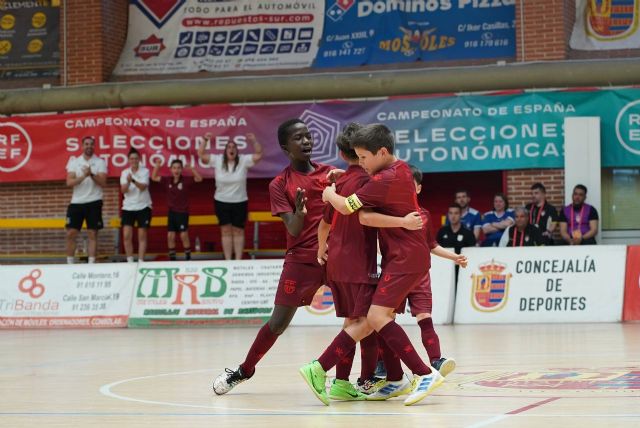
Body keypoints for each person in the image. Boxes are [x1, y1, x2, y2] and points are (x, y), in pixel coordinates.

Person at [300, 123, 444, 407]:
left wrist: (329, 194)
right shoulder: (396, 170)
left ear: (381, 152)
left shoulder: (385, 180)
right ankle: (394, 378)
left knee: (374, 319)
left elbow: (348, 208)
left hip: (406, 257)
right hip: (401, 256)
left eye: (364, 158)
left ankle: (424, 374)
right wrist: (348, 176)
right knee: (370, 320)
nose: (361, 163)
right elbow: (367, 207)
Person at [212, 119, 332, 395]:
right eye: (298, 138)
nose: (306, 142)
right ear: (285, 147)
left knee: (361, 316)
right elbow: (292, 228)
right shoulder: (280, 184)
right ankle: (244, 371)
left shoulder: (329, 174)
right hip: (301, 260)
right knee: (277, 323)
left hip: (335, 256)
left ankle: (373, 375)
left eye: (308, 136)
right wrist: (299, 214)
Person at [365, 165, 467, 402]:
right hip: (395, 270)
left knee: (423, 317)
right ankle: (387, 368)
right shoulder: (387, 213)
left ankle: (435, 362)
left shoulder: (424, 215)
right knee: (384, 318)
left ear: (418, 188)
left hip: (419, 274)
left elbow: (431, 245)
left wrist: (454, 257)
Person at [197, 132, 262, 260]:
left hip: (240, 201)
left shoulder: (243, 160)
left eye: (234, 147)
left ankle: (237, 260)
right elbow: (201, 154)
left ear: (237, 151)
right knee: (225, 230)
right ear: (225, 150)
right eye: (229, 147)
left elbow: (259, 155)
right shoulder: (217, 160)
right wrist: (205, 140)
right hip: (221, 201)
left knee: (238, 230)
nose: (231, 149)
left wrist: (254, 141)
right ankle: (228, 260)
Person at [64, 136, 107, 264]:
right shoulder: (74, 162)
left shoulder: (100, 162)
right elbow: (69, 182)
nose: (89, 146)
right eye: (86, 144)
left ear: (94, 146)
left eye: (91, 144)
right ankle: (70, 264)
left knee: (92, 234)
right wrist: (83, 176)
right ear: (82, 146)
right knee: (71, 233)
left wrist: (92, 174)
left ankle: (91, 264)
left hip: (94, 201)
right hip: (76, 202)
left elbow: (103, 182)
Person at [151, 159, 203, 261]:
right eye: (174, 168)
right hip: (172, 213)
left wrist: (192, 168)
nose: (176, 170)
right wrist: (157, 166)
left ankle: (188, 257)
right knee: (170, 235)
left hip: (182, 212)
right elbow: (153, 177)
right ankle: (172, 259)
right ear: (170, 169)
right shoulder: (167, 180)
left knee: (183, 235)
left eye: (179, 168)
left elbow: (199, 178)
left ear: (182, 169)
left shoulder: (185, 180)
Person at [120, 148, 152, 263]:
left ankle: (141, 261)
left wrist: (132, 180)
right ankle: (130, 261)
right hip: (128, 207)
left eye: (136, 158)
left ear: (139, 159)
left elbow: (143, 187)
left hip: (143, 206)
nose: (134, 160)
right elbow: (123, 190)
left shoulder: (145, 171)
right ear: (128, 160)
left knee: (141, 236)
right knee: (127, 235)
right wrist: (128, 181)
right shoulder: (124, 173)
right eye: (131, 158)